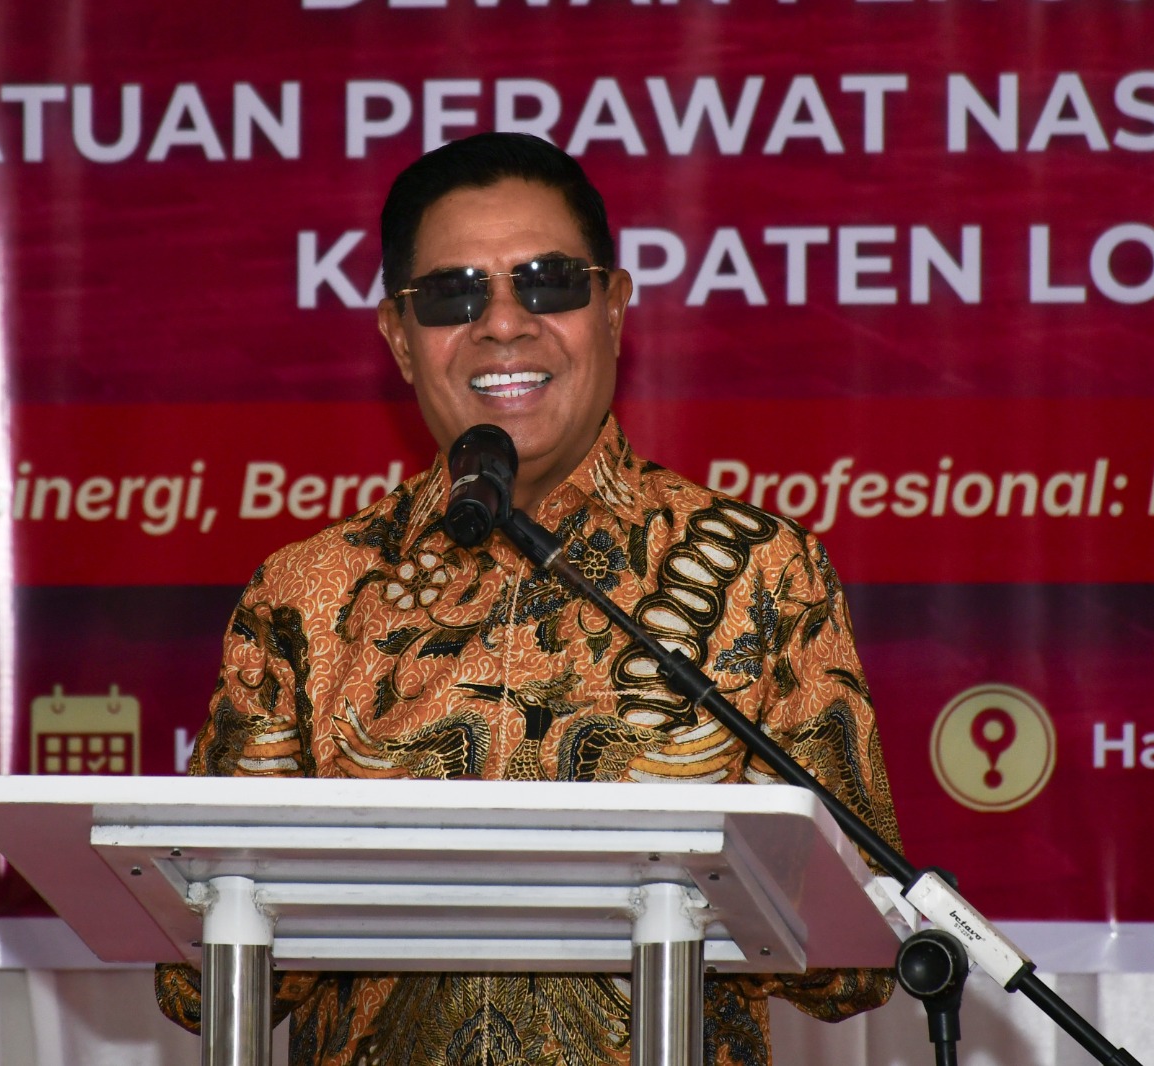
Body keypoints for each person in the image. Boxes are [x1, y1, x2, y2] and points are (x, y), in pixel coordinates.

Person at [155, 132, 901, 1065]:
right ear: (399, 338)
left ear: (614, 309)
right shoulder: (308, 593)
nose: (504, 324)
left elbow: (851, 965)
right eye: (454, 294)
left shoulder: (759, 569)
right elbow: (196, 980)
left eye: (548, 283)